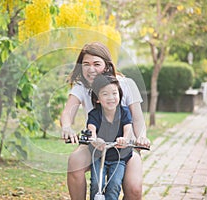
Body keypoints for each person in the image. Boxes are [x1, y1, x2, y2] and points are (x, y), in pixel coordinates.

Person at [60, 42, 150, 200]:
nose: (90, 68)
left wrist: (141, 136)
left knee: (134, 189)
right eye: (86, 64)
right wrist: (66, 127)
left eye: (96, 64)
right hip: (96, 144)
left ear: (107, 66)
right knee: (74, 163)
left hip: (124, 145)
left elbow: (137, 118)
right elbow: (67, 112)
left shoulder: (126, 84)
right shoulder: (81, 87)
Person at [88, 73, 133, 200]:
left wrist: (124, 139)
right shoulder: (94, 114)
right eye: (105, 94)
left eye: (114, 93)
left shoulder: (124, 112)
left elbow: (128, 129)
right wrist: (95, 140)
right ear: (97, 98)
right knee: (97, 184)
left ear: (119, 95)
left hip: (118, 157)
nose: (111, 97)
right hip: (99, 156)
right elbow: (91, 130)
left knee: (114, 185)